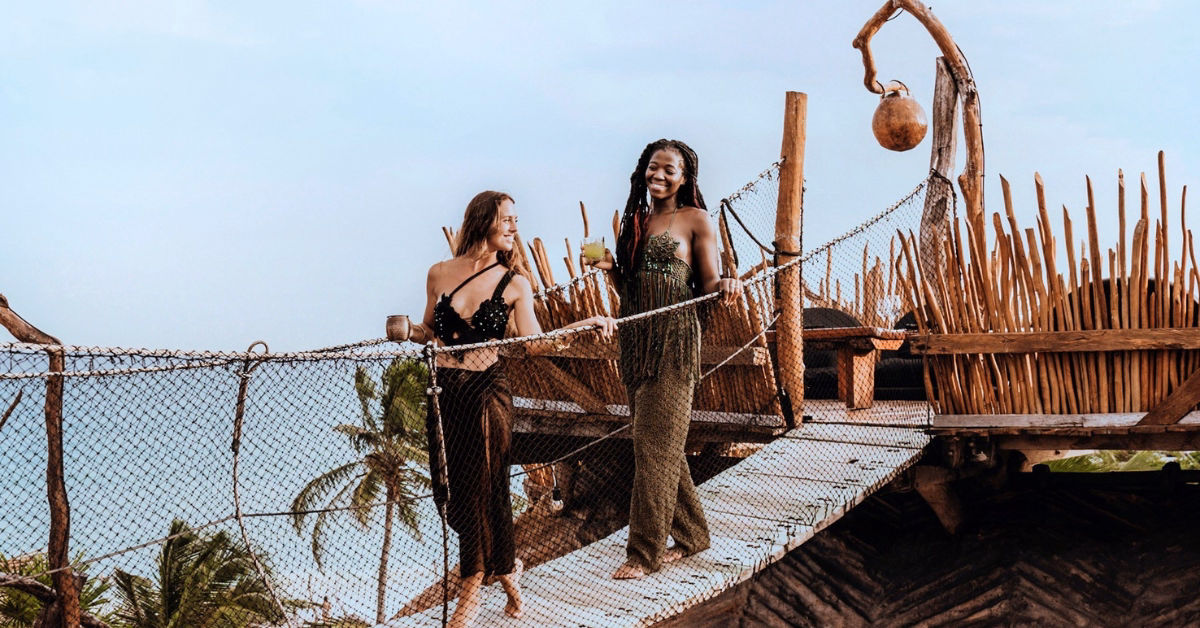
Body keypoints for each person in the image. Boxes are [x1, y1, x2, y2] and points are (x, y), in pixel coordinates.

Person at [392, 190, 616, 626]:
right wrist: (406, 330)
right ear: (483, 221)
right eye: (507, 219)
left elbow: (533, 344)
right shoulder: (439, 272)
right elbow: (430, 331)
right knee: (455, 493)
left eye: (516, 219)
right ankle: (510, 573)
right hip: (445, 394)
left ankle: (470, 591)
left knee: (484, 488)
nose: (515, 226)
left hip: (487, 393)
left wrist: (584, 325)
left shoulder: (514, 283)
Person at [583, 139, 741, 580]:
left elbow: (708, 283)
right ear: (643, 171)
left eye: (670, 169)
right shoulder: (636, 221)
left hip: (674, 343)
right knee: (657, 442)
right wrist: (611, 269)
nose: (659, 175)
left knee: (653, 447)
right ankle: (692, 536)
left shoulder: (697, 219)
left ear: (685, 178)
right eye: (654, 167)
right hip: (636, 342)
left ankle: (643, 552)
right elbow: (631, 291)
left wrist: (727, 284)